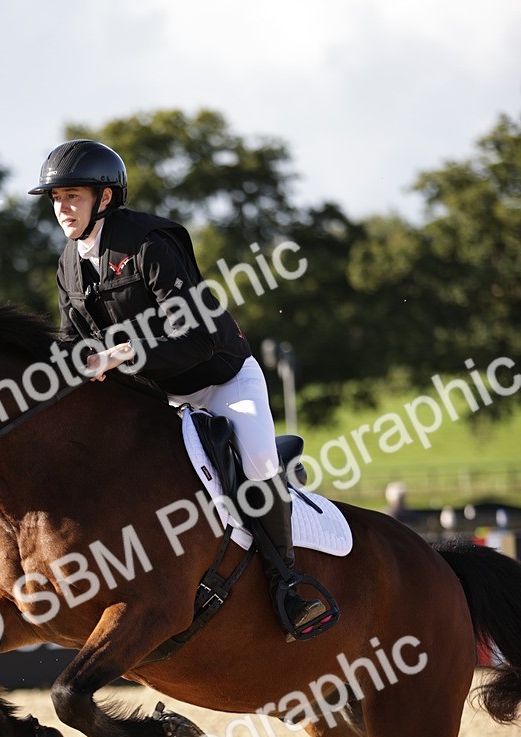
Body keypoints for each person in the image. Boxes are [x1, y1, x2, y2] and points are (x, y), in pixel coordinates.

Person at [29, 139, 331, 641]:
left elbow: (198, 334)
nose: (62, 209)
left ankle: (290, 585)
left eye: (73, 197)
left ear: (104, 198)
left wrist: (122, 355)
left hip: (221, 380)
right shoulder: (68, 263)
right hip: (160, 398)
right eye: (56, 199)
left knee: (256, 466)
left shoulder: (149, 244)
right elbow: (70, 340)